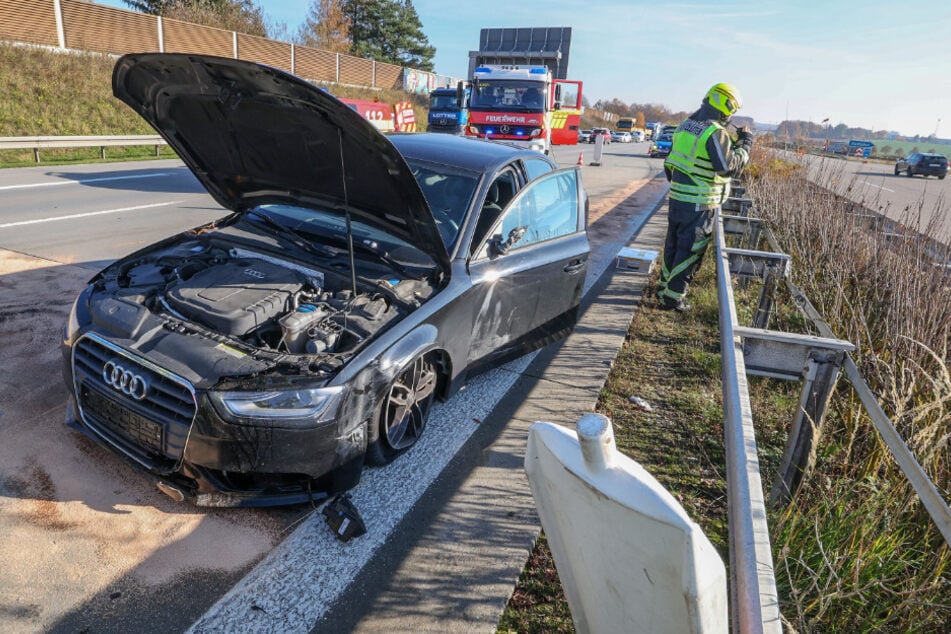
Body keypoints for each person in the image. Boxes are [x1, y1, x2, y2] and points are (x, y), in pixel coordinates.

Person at [658, 83, 752, 312]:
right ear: (725, 104)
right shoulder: (714, 132)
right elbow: (727, 168)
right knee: (690, 250)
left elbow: (672, 162)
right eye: (732, 110)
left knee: (673, 245)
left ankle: (664, 290)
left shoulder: (685, 126)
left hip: (678, 198)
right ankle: (674, 298)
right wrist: (745, 145)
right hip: (700, 203)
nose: (731, 116)